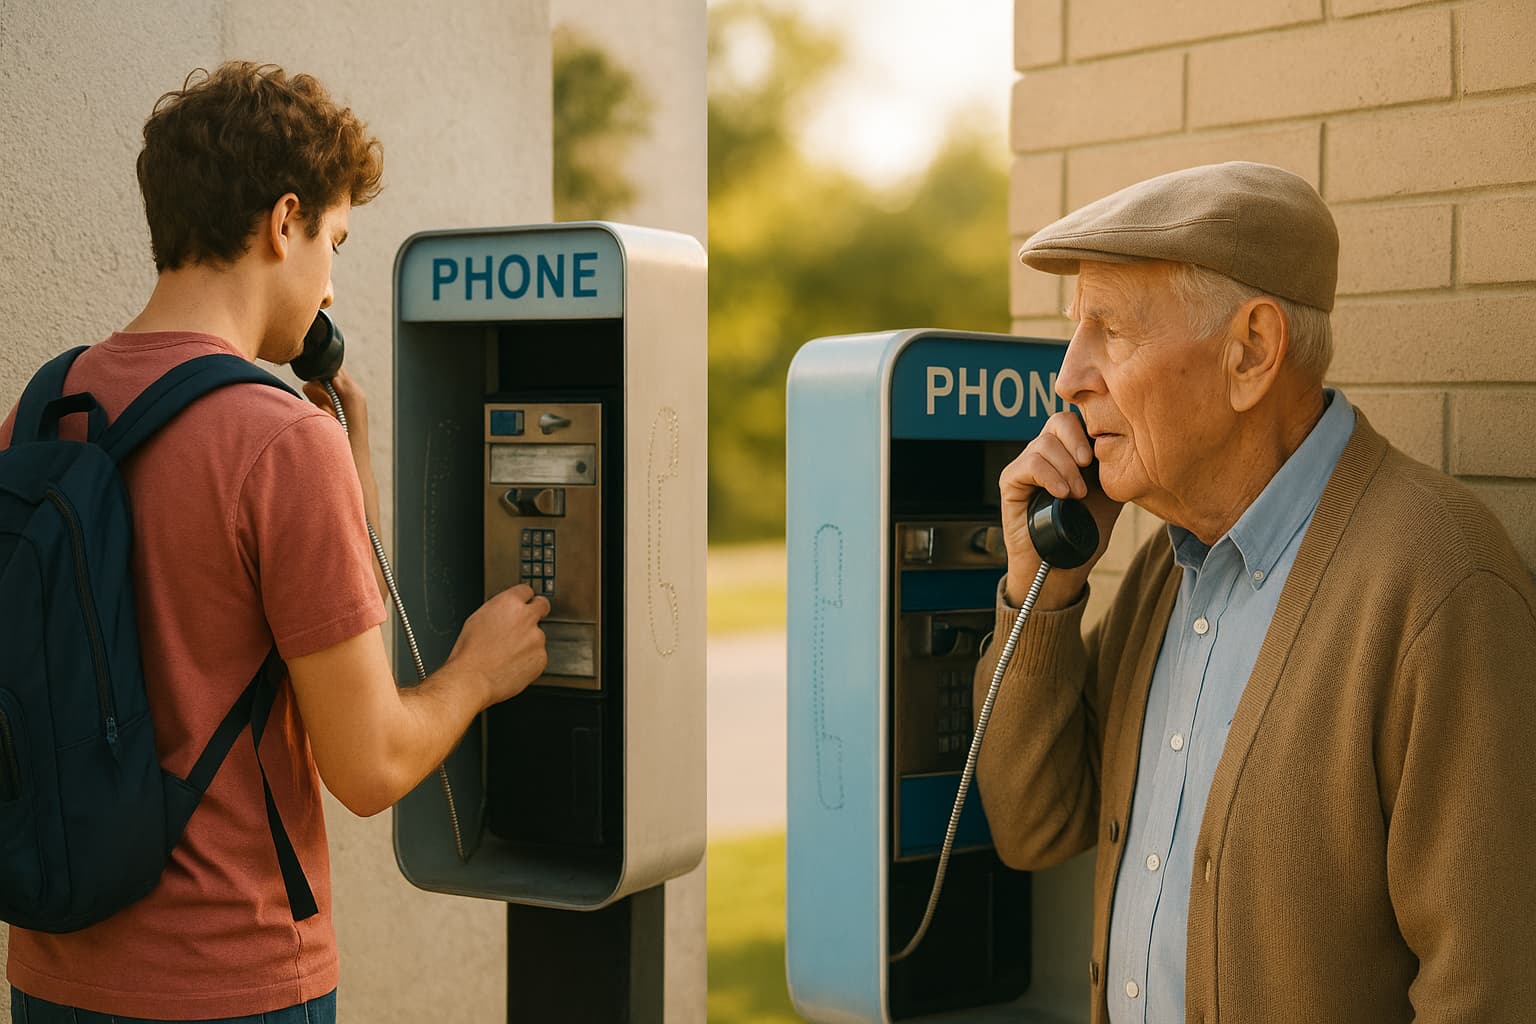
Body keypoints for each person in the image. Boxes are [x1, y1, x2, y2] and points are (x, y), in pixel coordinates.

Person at [1, 62, 550, 1023]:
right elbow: (369, 767)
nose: (330, 280)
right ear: (283, 220)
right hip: (230, 976)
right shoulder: (278, 444)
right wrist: (476, 672)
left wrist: (353, 459)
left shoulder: (40, 411)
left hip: (53, 967)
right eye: (333, 241)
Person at [976, 161, 1536, 1023]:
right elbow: (1034, 821)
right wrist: (1040, 589)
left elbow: (1487, 991)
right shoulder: (1167, 571)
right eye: (1072, 330)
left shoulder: (1440, 581)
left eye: (1110, 331)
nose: (1068, 376)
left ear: (1252, 351)